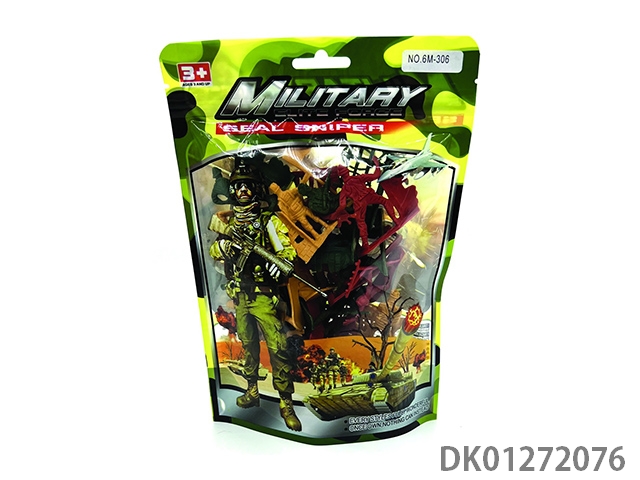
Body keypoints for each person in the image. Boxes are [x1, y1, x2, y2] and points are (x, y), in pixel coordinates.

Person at [209, 160, 302, 431]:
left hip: (263, 296)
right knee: (247, 345)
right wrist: (223, 248)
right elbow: (214, 251)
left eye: (247, 186)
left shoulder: (268, 222)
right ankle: (252, 390)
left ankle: (286, 402)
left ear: (256, 189)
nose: (242, 191)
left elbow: (287, 250)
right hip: (240, 296)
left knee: (278, 348)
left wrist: (280, 262)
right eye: (238, 186)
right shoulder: (229, 223)